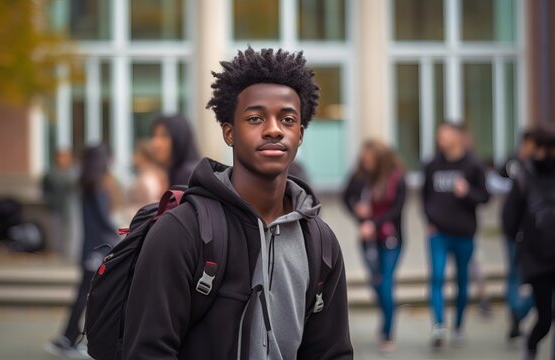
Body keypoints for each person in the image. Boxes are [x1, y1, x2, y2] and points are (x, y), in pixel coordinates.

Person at [123, 48, 353, 359]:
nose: (273, 129)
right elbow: (148, 352)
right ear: (229, 132)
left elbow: (332, 353)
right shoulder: (181, 231)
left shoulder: (321, 243)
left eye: (287, 119)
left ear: (300, 134)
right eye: (255, 118)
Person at [502, 128, 555, 360]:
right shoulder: (527, 176)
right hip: (547, 257)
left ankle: (542, 348)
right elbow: (511, 219)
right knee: (549, 316)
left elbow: (509, 220)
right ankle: (533, 342)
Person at [47, 144, 119, 358]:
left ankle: (67, 337)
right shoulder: (96, 186)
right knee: (92, 298)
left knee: (85, 296)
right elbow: (104, 220)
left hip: (91, 249)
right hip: (99, 249)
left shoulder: (87, 184)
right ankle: (71, 339)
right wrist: (122, 233)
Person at [422, 122, 490, 348]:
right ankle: (439, 325)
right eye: (439, 135)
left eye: (445, 135)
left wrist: (467, 192)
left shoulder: (473, 165)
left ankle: (459, 326)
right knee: (437, 278)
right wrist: (430, 221)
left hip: (464, 233)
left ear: (458, 137)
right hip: (438, 234)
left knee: (462, 282)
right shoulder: (432, 165)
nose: (440, 139)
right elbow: (425, 196)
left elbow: (485, 197)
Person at [342, 139, 406, 353]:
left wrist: (374, 223)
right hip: (368, 240)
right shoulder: (359, 176)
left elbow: (397, 209)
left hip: (391, 239)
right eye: (364, 159)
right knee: (375, 283)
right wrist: (356, 210)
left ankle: (387, 332)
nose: (366, 162)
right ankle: (385, 315)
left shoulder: (396, 177)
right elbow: (346, 196)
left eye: (370, 159)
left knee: (386, 283)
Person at [497, 129, 538, 340]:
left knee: (536, 277)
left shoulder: (543, 168)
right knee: (514, 273)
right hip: (514, 230)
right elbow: (499, 179)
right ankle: (515, 315)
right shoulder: (513, 162)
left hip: (537, 232)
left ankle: (520, 312)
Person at [41, 149, 78, 260]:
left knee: (71, 230)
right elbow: (45, 189)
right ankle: (57, 251)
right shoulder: (51, 173)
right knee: (56, 231)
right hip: (55, 206)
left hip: (70, 207)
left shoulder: (73, 172)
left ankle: (70, 253)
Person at [149, 114, 200, 186]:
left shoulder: (187, 175)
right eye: (154, 135)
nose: (156, 143)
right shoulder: (175, 171)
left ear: (179, 138)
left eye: (164, 136)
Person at [124, 140, 168, 219]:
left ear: (142, 156)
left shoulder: (146, 177)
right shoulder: (159, 173)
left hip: (144, 218)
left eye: (136, 154)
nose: (133, 157)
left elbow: (147, 202)